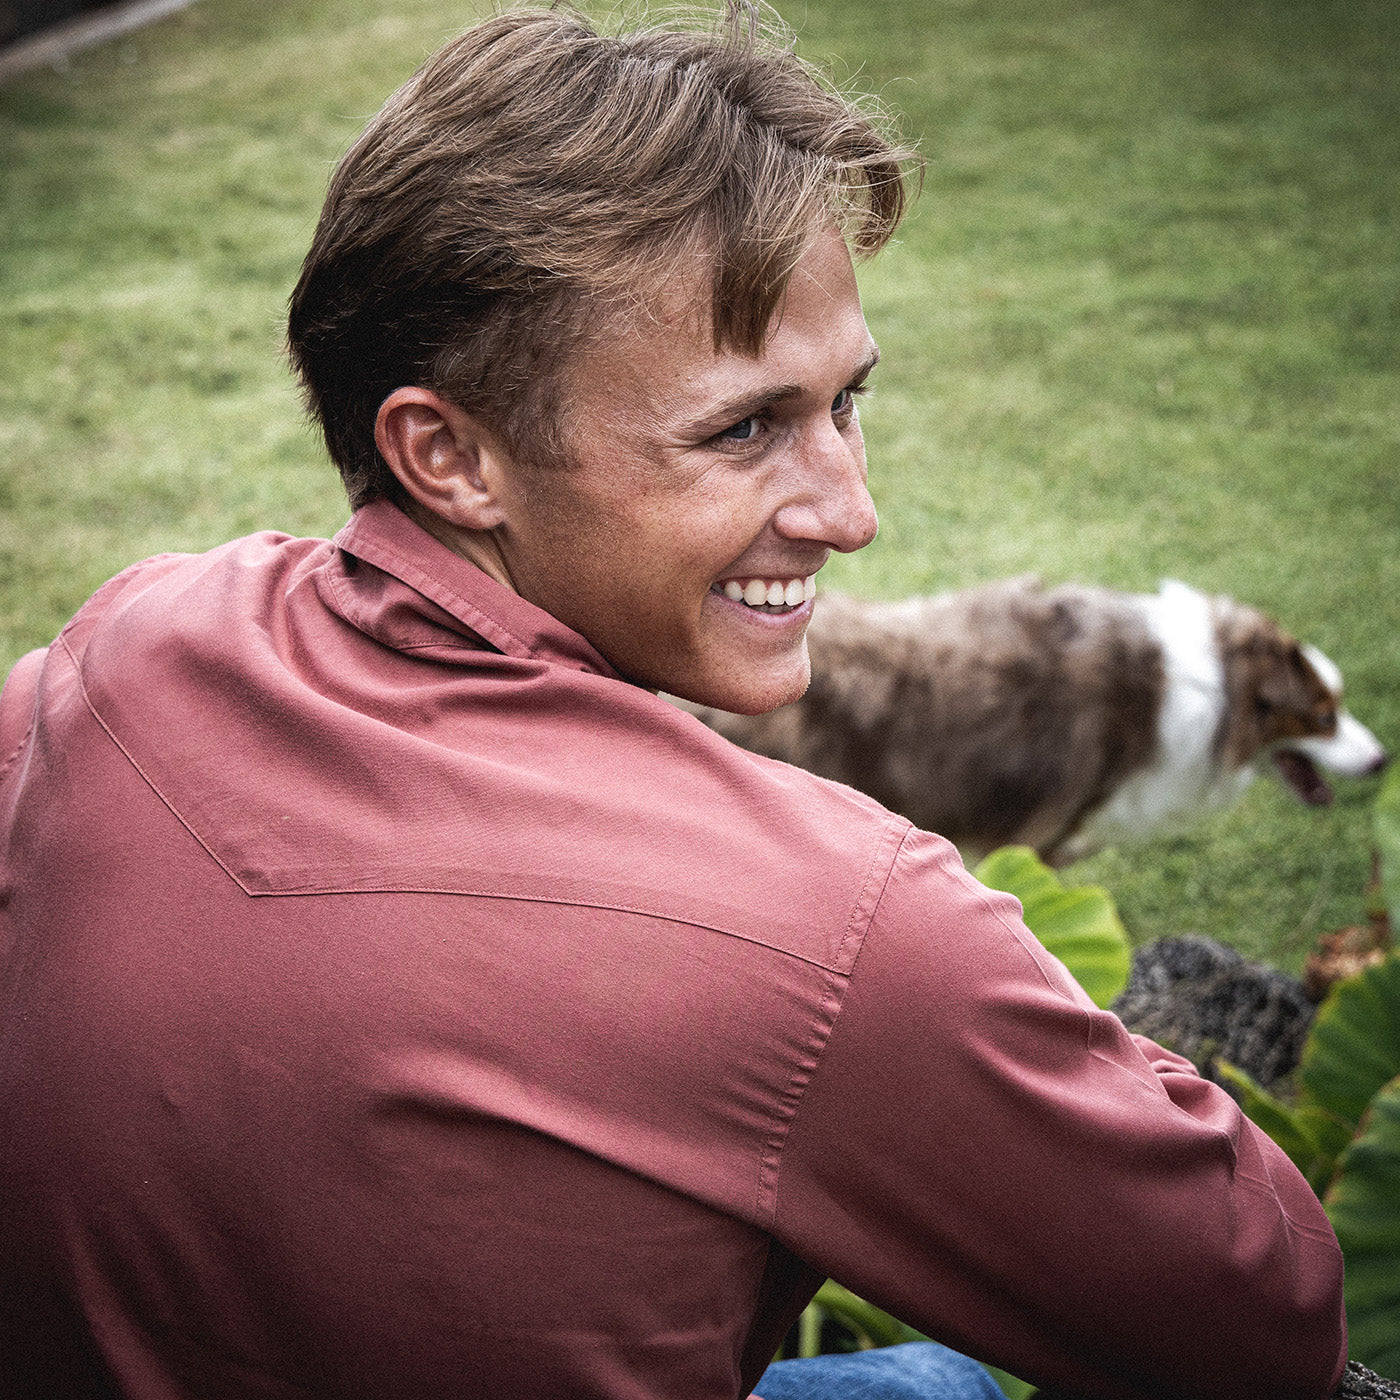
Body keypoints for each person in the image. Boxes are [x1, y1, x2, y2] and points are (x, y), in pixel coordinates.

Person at [0, 5, 1347, 1399]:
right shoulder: (829, 924)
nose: (852, 511)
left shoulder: (126, 636)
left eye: (847, 404)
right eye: (746, 427)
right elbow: (1263, 1311)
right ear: (450, 457)